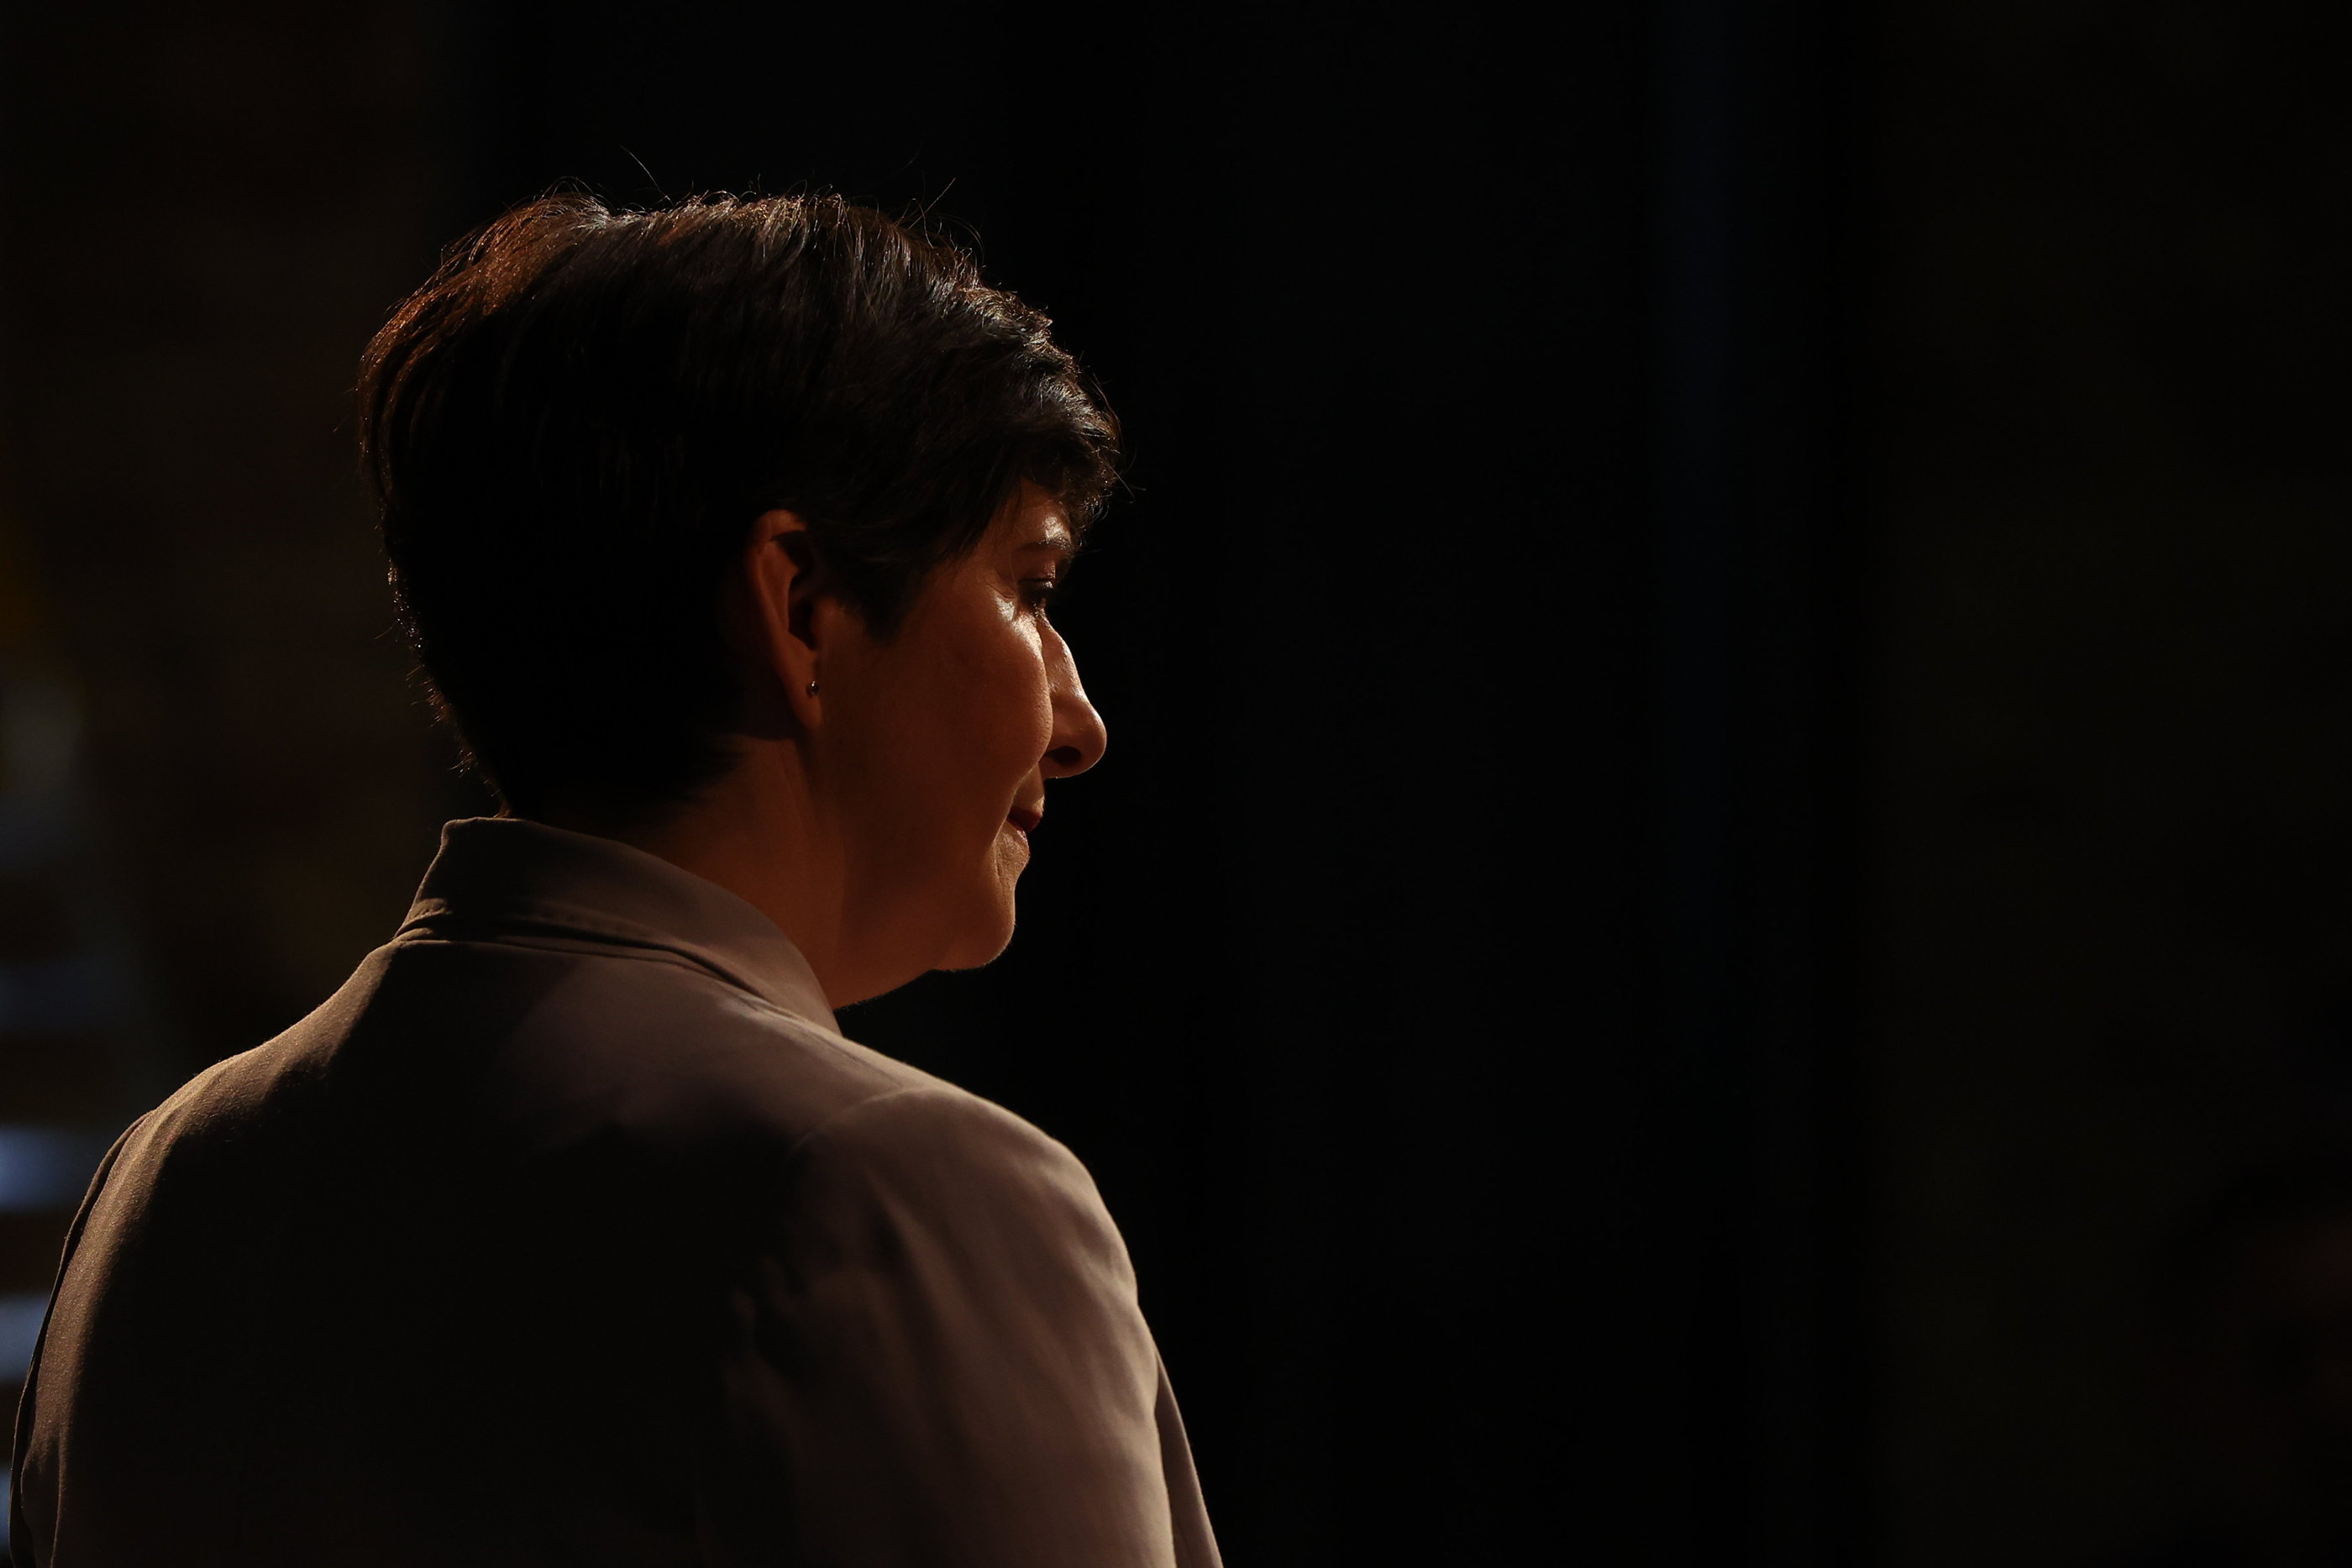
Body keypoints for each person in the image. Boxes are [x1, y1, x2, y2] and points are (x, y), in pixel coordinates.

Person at [8, 192, 1219, 1566]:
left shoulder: (158, 1196)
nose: (1078, 720)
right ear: (802, 608)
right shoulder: (891, 1192)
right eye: (1030, 589)